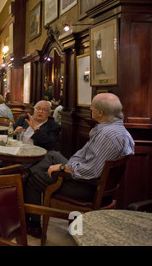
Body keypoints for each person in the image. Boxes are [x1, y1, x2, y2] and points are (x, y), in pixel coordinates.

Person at [24, 93, 135, 237]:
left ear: (100, 112)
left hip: (87, 186)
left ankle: (34, 225)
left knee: (34, 179)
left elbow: (92, 171)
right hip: (96, 182)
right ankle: (26, 173)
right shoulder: (120, 131)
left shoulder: (106, 135)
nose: (90, 109)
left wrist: (64, 168)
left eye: (92, 108)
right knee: (53, 155)